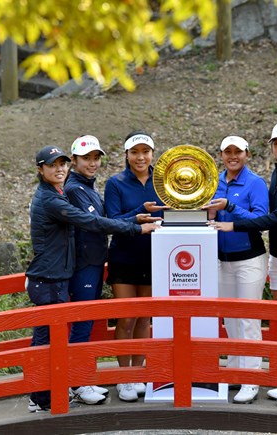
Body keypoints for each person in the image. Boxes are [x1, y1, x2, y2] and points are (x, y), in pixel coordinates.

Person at [26, 145, 159, 412]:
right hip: (49, 276)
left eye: (62, 164)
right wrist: (136, 228)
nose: (60, 169)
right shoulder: (54, 198)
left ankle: (53, 390)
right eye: (53, 165)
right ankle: (42, 396)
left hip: (58, 274)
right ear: (41, 169)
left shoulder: (60, 192)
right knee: (47, 338)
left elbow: (97, 220)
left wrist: (133, 217)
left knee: (54, 335)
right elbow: (93, 223)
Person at [209, 121, 277, 408]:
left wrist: (231, 218)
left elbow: (272, 219)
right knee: (268, 320)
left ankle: (265, 378)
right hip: (276, 257)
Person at [64, 135, 137, 405]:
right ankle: (77, 383)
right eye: (86, 158)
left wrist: (138, 213)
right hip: (83, 263)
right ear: (74, 161)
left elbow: (104, 220)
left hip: (94, 261)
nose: (92, 163)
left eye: (96, 158)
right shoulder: (74, 189)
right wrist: (137, 226)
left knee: (87, 321)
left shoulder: (89, 187)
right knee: (82, 322)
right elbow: (98, 224)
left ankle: (81, 379)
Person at [202, 135, 269, 404]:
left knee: (248, 318)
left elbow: (261, 219)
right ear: (220, 154)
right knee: (228, 318)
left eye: (238, 152)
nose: (233, 156)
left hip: (249, 259)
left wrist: (231, 207)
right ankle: (234, 369)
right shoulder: (214, 181)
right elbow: (206, 213)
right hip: (220, 259)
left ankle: (251, 377)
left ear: (247, 155)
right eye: (227, 151)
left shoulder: (255, 183)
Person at [104, 130, 168, 402]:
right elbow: (112, 221)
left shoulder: (164, 182)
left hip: (157, 256)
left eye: (145, 152)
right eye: (135, 152)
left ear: (153, 154)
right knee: (126, 317)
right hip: (124, 256)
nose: (141, 157)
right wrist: (138, 214)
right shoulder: (116, 183)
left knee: (145, 317)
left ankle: (139, 372)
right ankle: (124, 377)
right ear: (127, 155)